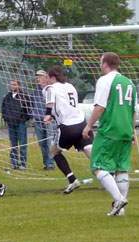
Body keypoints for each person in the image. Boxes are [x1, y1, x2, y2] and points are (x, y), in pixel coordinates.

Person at [82, 52, 135, 216]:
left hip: (110, 129)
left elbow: (100, 107)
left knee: (97, 165)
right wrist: (132, 131)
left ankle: (118, 199)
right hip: (126, 130)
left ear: (105, 64)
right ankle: (121, 209)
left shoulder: (105, 80)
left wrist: (88, 126)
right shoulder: (129, 83)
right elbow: (132, 111)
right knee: (121, 168)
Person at [43, 66, 91, 194]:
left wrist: (48, 114)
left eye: (47, 77)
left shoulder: (50, 88)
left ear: (53, 77)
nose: (46, 80)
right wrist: (54, 115)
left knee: (53, 151)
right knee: (90, 152)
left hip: (67, 126)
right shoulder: (70, 86)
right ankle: (108, 174)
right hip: (81, 123)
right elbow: (67, 105)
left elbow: (51, 102)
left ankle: (72, 179)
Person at [1, 80, 29, 170]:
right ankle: (14, 163)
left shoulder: (24, 96)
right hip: (11, 123)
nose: (13, 86)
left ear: (19, 85)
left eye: (15, 85)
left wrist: (24, 118)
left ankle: (23, 163)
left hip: (20, 123)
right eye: (11, 85)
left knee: (22, 143)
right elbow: (3, 108)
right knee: (13, 144)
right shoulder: (7, 97)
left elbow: (28, 109)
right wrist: (6, 118)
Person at [31, 70, 55, 170]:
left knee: (49, 142)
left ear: (45, 77)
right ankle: (46, 162)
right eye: (37, 76)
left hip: (49, 120)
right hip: (38, 120)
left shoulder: (50, 89)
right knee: (42, 144)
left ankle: (50, 164)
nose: (38, 78)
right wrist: (32, 116)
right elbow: (31, 104)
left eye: (40, 76)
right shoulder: (34, 92)